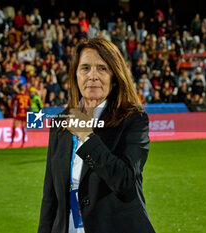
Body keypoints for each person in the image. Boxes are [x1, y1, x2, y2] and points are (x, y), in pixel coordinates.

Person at [38, 38, 155, 233]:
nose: (92, 76)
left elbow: (124, 181)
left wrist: (87, 136)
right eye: (85, 68)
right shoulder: (60, 123)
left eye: (102, 68)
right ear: (75, 75)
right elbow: (50, 197)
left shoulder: (133, 119)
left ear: (114, 77)